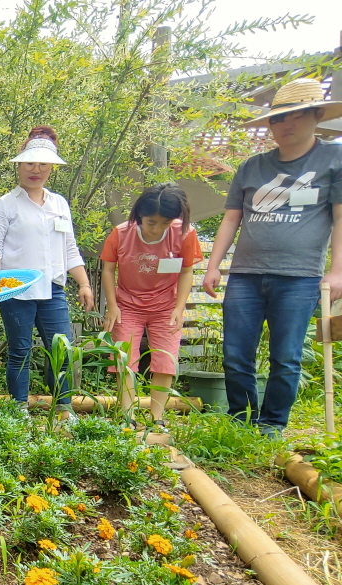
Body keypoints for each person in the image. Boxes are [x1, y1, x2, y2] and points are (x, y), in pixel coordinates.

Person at [203, 78, 342, 437]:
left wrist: (337, 270)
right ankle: (241, 420)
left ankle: (272, 424)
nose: (286, 125)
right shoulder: (252, 166)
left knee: (287, 357)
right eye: (278, 119)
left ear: (315, 115)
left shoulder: (334, 160)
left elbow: (340, 216)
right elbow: (231, 217)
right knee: (235, 354)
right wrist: (214, 265)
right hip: (246, 275)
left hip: (300, 277)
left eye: (296, 116)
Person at [0, 127, 95, 416]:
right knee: (20, 351)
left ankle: (63, 410)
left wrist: (83, 283)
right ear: (20, 164)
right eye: (30, 162)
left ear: (52, 167)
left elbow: (69, 248)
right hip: (15, 289)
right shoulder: (4, 205)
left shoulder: (59, 204)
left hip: (53, 289)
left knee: (62, 351)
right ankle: (19, 411)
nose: (36, 169)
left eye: (43, 164)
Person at [102, 184, 201, 427]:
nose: (157, 229)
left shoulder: (185, 233)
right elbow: (107, 268)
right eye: (151, 222)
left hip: (165, 305)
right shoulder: (121, 233)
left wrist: (179, 308)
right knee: (126, 360)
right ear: (138, 217)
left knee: (165, 361)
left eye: (165, 223)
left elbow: (187, 271)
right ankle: (128, 416)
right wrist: (112, 306)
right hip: (127, 304)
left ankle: (157, 417)